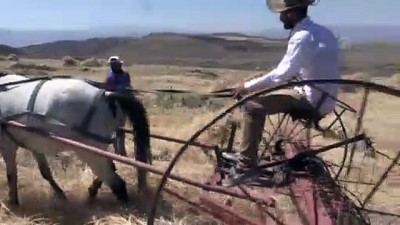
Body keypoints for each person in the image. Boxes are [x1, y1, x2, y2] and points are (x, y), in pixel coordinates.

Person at [222, 0, 341, 182]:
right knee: (259, 95)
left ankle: (245, 167)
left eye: (283, 13)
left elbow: (280, 76)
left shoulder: (302, 36)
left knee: (252, 105)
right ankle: (246, 154)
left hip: (311, 99)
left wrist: (246, 88)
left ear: (292, 13)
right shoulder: (325, 32)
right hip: (326, 97)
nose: (280, 18)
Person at [104, 55, 132, 156]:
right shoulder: (110, 77)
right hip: (114, 105)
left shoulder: (125, 74)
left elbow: (128, 86)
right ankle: (118, 151)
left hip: (125, 103)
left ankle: (121, 150)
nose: (114, 66)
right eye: (112, 65)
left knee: (121, 128)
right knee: (117, 129)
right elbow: (109, 91)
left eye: (116, 64)